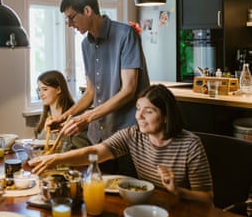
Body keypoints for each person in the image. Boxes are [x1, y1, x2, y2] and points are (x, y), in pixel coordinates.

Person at [30, 84, 214, 204]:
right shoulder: (133, 135)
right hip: (148, 207)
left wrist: (177, 191)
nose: (139, 117)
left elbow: (207, 198)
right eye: (138, 109)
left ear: (166, 117)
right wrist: (55, 159)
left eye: (148, 112)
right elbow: (95, 152)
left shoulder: (190, 145)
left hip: (183, 212)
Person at [52, 0, 150, 174]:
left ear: (87, 11)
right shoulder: (85, 45)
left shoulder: (125, 35)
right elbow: (90, 93)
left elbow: (128, 90)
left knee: (127, 191)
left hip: (127, 134)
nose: (69, 24)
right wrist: (65, 117)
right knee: (102, 190)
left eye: (71, 17)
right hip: (99, 136)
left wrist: (86, 117)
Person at [36, 70, 90, 150]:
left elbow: (84, 147)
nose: (40, 94)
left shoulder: (75, 119)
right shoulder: (46, 117)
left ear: (58, 89)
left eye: (45, 89)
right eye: (39, 90)